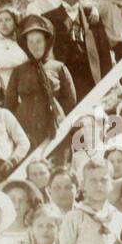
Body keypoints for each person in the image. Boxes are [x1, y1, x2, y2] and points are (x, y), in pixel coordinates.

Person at [5, 15, 76, 155]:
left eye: (38, 41)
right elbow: (9, 105)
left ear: (46, 42)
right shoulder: (19, 71)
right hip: (26, 129)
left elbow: (70, 102)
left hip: (54, 127)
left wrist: (58, 120)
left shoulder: (59, 68)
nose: (34, 46)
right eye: (30, 42)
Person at [0, 7, 29, 89]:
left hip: (22, 82)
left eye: (7, 20)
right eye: (0, 20)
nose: (3, 24)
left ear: (15, 22)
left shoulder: (24, 42)